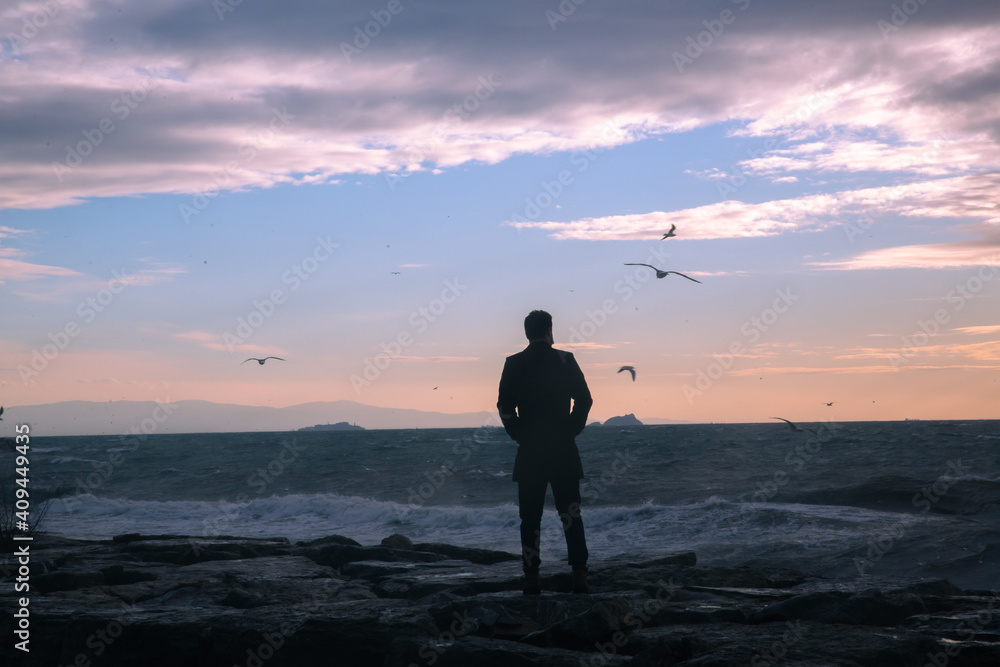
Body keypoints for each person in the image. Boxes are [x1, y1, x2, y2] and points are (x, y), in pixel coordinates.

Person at [497, 310, 593, 594]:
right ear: (550, 330)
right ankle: (579, 575)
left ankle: (532, 577)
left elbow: (504, 407)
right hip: (563, 449)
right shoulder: (565, 359)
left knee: (530, 518)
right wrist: (571, 430)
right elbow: (585, 399)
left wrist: (520, 435)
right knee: (571, 515)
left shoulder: (514, 363)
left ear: (527, 333)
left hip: (530, 452)